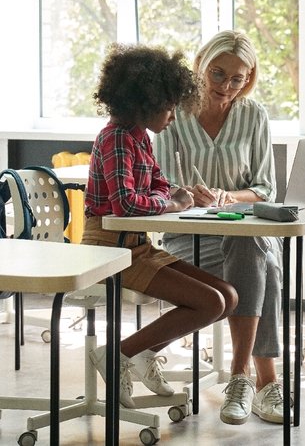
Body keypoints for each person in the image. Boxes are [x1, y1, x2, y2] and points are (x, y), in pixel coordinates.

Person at [81, 42, 238, 409]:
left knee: (227, 297)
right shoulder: (117, 138)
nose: (172, 116)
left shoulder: (139, 138)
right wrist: (172, 202)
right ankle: (120, 353)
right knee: (210, 302)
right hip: (109, 250)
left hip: (135, 245)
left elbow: (159, 184)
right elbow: (128, 202)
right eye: (168, 107)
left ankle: (139, 354)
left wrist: (172, 195)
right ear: (146, 102)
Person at [153, 30, 287, 426]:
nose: (226, 87)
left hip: (243, 232)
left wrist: (230, 197)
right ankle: (262, 383)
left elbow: (265, 187)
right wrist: (188, 195)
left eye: (238, 79)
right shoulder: (172, 112)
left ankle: (241, 376)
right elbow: (161, 183)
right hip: (188, 238)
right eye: (218, 74)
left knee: (253, 251)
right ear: (200, 67)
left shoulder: (254, 115)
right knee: (267, 269)